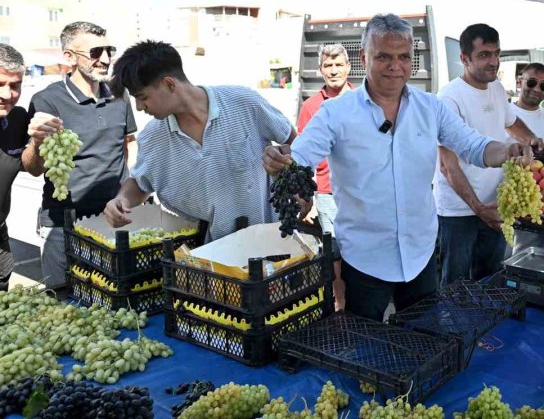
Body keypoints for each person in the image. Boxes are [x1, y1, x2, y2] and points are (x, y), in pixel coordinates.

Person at [261, 14, 534, 322]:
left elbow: (475, 146)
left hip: (420, 256)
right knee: (364, 345)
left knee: (423, 341)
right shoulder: (334, 114)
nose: (396, 66)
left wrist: (509, 150)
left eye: (404, 57)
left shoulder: (430, 108)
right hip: (364, 259)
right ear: (364, 58)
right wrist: (280, 160)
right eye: (384, 57)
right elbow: (298, 158)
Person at [102, 41, 295, 241]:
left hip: (274, 241)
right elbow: (141, 183)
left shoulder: (244, 103)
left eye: (142, 97)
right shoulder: (153, 138)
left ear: (170, 84)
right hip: (211, 256)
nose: (139, 107)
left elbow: (293, 141)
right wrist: (121, 199)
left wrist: (286, 167)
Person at [22, 22, 136, 289]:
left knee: (118, 299)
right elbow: (34, 168)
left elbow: (129, 144)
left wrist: (127, 193)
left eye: (110, 50)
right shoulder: (46, 100)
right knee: (62, 302)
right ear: (69, 57)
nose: (106, 60)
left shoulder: (120, 94)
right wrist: (38, 142)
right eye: (96, 52)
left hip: (113, 221)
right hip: (63, 225)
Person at [435, 24, 542, 287]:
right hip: (459, 211)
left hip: (496, 207)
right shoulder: (449, 98)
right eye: (484, 55)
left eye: (497, 54)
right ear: (464, 59)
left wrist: (530, 139)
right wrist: (478, 208)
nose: (493, 62)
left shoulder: (495, 88)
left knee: (492, 281)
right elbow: (447, 166)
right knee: (456, 287)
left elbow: (511, 121)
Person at [297, 43, 353, 310]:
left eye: (338, 65)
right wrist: (309, 198)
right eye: (328, 66)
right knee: (337, 255)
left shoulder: (362, 98)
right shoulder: (311, 107)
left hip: (361, 191)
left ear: (349, 67)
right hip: (329, 193)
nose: (333, 71)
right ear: (321, 70)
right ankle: (340, 307)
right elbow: (303, 157)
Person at [0, 45, 58, 291]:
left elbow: (33, 168)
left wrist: (38, 141)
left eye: (15, 85)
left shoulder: (16, 120)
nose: (7, 94)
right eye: (0, 84)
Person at [510, 62, 544, 253]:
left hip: (540, 206)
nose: (537, 89)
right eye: (532, 82)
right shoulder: (504, 114)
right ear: (520, 81)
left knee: (530, 256)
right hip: (507, 202)